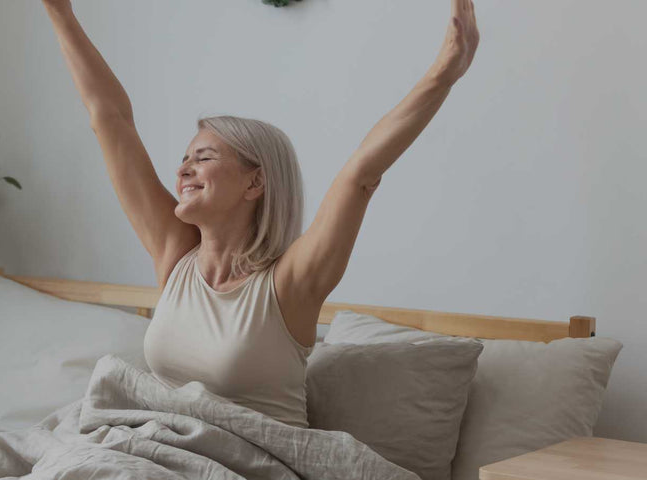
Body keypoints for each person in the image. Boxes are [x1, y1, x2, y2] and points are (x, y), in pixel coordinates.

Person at [41, 0, 479, 427]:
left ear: (255, 183)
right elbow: (111, 119)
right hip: (161, 452)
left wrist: (444, 73)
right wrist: (60, 11)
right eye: (185, 157)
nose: (182, 169)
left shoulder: (290, 284)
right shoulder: (175, 257)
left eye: (204, 158)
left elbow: (360, 176)